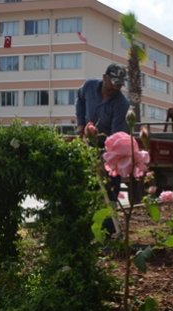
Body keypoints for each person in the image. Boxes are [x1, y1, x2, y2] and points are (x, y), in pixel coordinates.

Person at [75, 63, 130, 235]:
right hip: (88, 139)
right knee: (85, 184)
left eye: (120, 84)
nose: (116, 87)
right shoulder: (90, 86)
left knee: (111, 185)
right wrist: (81, 124)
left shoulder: (121, 104)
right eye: (113, 82)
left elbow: (115, 137)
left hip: (110, 146)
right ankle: (86, 225)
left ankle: (109, 228)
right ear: (105, 78)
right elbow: (80, 98)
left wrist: (105, 160)